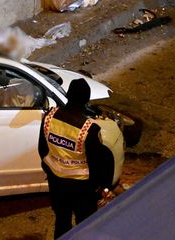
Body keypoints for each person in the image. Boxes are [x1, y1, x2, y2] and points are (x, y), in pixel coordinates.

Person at [39, 78, 115, 239]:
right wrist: (101, 187)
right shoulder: (89, 129)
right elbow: (97, 163)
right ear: (86, 100)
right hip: (82, 189)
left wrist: (52, 171)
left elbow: (42, 149)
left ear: (68, 95)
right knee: (85, 226)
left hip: (57, 184)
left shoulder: (48, 117)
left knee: (62, 222)